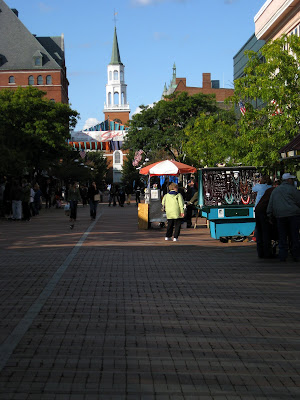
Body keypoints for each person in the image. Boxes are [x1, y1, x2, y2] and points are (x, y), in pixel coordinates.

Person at [267, 173, 300, 262]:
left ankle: (283, 255)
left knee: (282, 236)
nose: (293, 181)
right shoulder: (293, 189)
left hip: (280, 216)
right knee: (294, 236)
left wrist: (269, 215)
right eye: (292, 179)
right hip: (293, 215)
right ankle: (295, 255)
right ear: (288, 180)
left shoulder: (276, 190)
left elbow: (271, 204)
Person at [255, 179, 280, 259]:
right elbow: (272, 204)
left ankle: (260, 252)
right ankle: (267, 253)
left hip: (258, 210)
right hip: (264, 211)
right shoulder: (275, 191)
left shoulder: (269, 190)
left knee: (260, 231)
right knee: (266, 232)